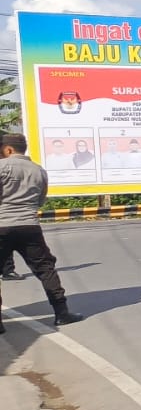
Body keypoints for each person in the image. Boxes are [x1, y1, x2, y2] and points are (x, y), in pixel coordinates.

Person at [0, 134, 85, 330]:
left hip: (2, 225)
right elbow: (40, 201)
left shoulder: (1, 167)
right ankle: (62, 313)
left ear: (8, 150)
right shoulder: (39, 171)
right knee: (46, 268)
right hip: (29, 226)